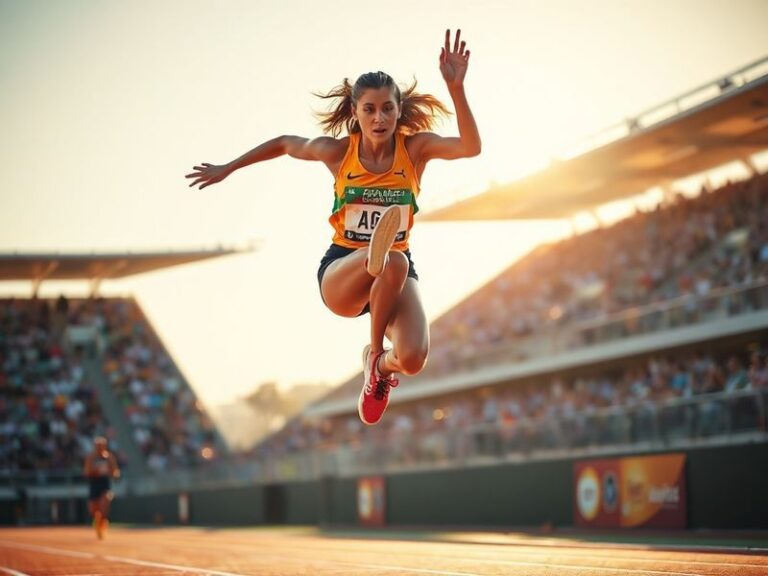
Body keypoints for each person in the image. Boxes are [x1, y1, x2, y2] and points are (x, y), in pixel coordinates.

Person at [187, 29, 480, 425]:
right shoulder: (339, 153)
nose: (380, 118)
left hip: (395, 272)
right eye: (370, 109)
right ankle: (376, 356)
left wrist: (456, 88)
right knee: (389, 259)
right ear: (355, 113)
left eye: (388, 109)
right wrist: (228, 168)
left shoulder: (415, 149)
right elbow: (285, 143)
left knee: (412, 358)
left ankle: (380, 367)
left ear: (398, 110)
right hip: (345, 271)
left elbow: (469, 147)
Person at [83, 436, 120, 539]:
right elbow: (86, 472)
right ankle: (97, 521)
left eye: (101, 446)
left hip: (105, 483)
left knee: (105, 503)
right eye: (97, 446)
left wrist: (114, 474)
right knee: (93, 509)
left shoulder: (109, 457)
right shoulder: (91, 457)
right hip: (94, 483)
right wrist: (96, 471)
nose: (99, 448)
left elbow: (115, 470)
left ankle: (102, 523)